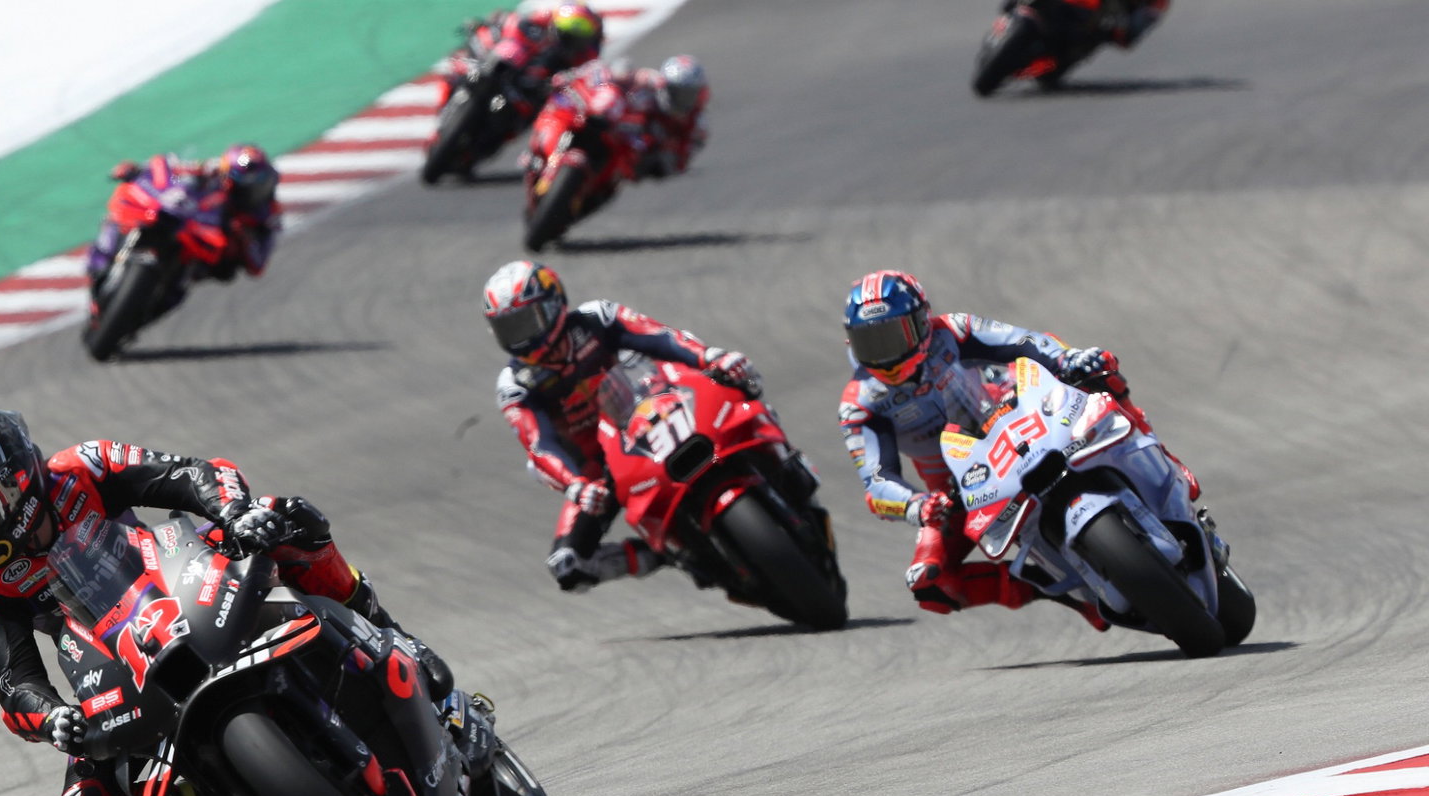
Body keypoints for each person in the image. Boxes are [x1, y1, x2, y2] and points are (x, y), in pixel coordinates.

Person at [0, 409, 451, 796]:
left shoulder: (84, 465)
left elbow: (190, 475)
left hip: (176, 569)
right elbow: (13, 682)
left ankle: (392, 634)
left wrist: (236, 512)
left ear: (17, 483)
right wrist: (53, 717)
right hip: (108, 659)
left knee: (288, 520)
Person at [837, 270, 1198, 629]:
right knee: (929, 582)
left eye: (893, 336)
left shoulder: (954, 330)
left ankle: (1165, 461)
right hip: (961, 486)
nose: (885, 355)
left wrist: (1067, 360)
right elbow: (877, 481)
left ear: (921, 322)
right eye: (871, 342)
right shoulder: (861, 403)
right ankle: (1060, 590)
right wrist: (917, 506)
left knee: (1097, 370)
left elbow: (1025, 342)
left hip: (1024, 415)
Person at [483, 260, 757, 591]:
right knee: (569, 566)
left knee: (739, 383)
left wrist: (710, 356)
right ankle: (664, 554)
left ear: (553, 305)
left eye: (526, 322)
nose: (520, 338)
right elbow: (539, 445)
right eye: (509, 329)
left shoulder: (598, 318)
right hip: (599, 471)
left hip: (651, 412)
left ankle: (781, 460)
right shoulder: (515, 384)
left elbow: (661, 338)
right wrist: (576, 485)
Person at [85, 143, 282, 298]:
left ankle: (163, 293)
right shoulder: (211, 175)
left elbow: (258, 265)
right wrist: (140, 172)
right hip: (185, 224)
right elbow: (176, 175)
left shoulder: (265, 216)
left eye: (259, 187)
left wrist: (242, 237)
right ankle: (106, 254)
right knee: (126, 215)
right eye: (245, 187)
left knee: (197, 279)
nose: (253, 193)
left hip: (210, 257)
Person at [436, 2, 605, 114]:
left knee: (538, 112)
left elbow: (580, 78)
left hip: (529, 91)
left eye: (575, 40)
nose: (570, 42)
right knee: (461, 61)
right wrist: (494, 26)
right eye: (567, 36)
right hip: (508, 60)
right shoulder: (541, 18)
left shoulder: (582, 55)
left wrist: (558, 83)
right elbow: (511, 21)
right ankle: (447, 101)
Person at [629, 54, 709, 180]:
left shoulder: (698, 123)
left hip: (647, 157)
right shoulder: (648, 82)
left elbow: (681, 161)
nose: (683, 99)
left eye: (689, 95)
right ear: (665, 86)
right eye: (678, 93)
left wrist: (667, 149)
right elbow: (620, 77)